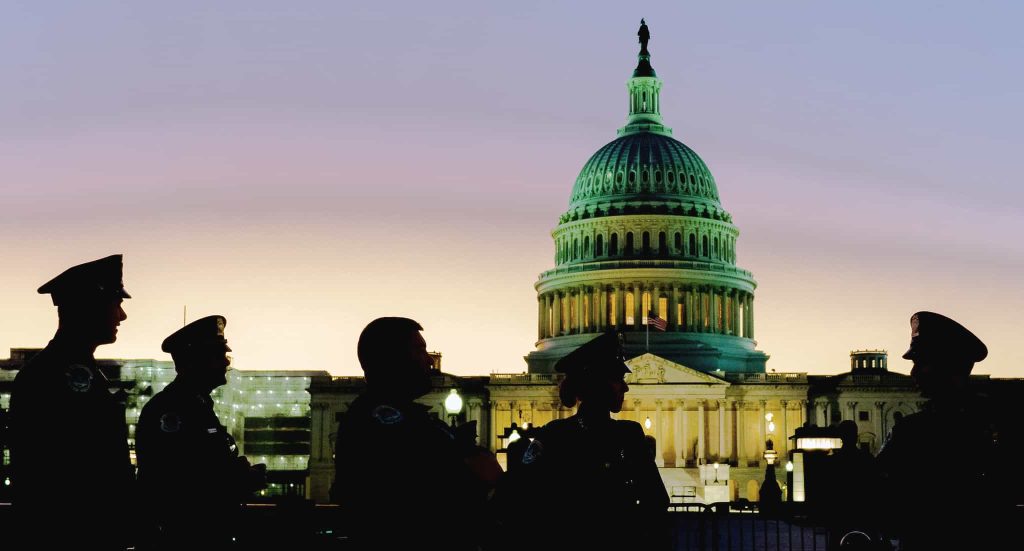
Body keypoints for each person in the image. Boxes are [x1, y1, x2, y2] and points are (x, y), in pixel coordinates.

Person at [330, 317, 502, 551]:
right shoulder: (381, 418)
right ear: (393, 358)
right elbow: (433, 487)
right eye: (420, 350)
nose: (430, 361)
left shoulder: (404, 415)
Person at [8, 255, 134, 550]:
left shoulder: (76, 371)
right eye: (116, 303)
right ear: (91, 306)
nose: (122, 315)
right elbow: (62, 479)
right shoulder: (54, 375)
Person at [499, 332, 669, 550]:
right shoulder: (625, 435)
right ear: (597, 383)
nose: (625, 387)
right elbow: (521, 496)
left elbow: (656, 500)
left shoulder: (554, 435)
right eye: (618, 379)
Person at [876, 311, 1021, 549]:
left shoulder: (912, 432)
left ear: (947, 366)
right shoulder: (1002, 423)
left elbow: (881, 502)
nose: (913, 373)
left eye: (921, 363)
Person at [135, 315, 266, 547]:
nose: (226, 363)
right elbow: (176, 488)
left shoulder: (198, 405)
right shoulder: (172, 410)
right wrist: (237, 481)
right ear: (194, 360)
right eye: (218, 356)